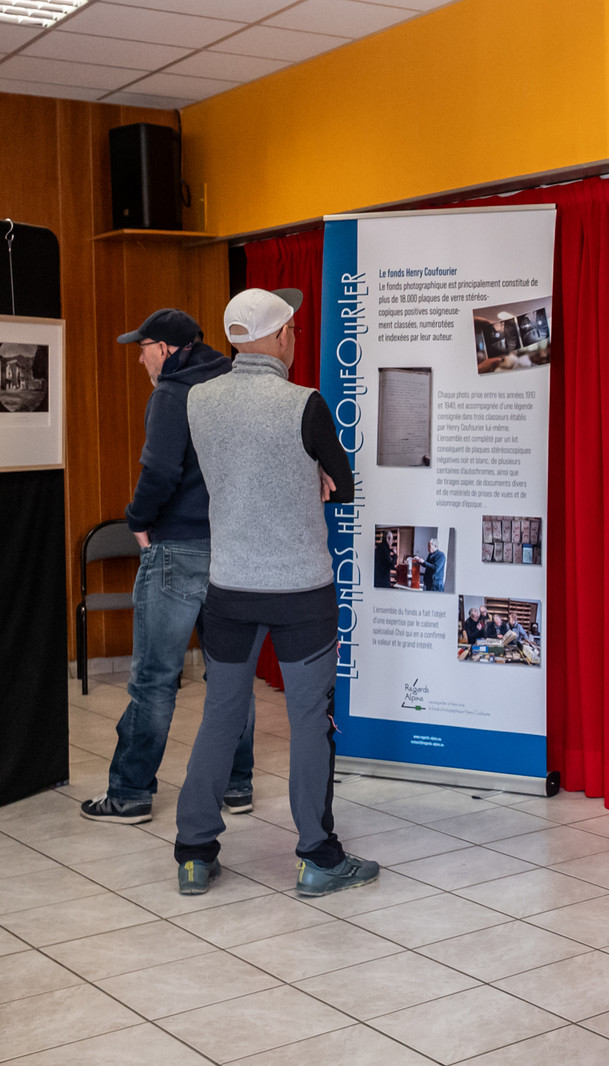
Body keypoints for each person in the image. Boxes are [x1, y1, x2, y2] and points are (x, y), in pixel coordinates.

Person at [173, 287, 378, 898]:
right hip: (299, 593)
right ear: (282, 336)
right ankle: (318, 857)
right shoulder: (305, 403)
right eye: (290, 327)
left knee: (220, 718)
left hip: (230, 587)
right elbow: (341, 487)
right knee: (309, 722)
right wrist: (311, 475)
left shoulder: (199, 401)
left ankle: (193, 853)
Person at [81, 309, 256, 825]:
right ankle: (237, 784)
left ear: (165, 349)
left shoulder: (172, 394)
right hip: (232, 550)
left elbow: (159, 470)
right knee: (232, 676)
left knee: (155, 678)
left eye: (142, 348)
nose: (139, 359)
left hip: (177, 548)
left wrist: (138, 520)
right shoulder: (233, 385)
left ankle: (131, 793)